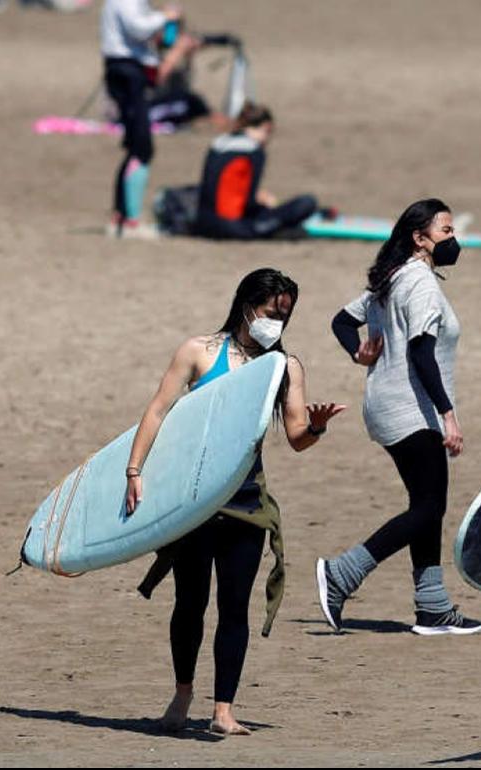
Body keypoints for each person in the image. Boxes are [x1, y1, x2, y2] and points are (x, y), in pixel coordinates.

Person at [125, 268, 346, 735]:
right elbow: (157, 410)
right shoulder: (199, 353)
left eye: (285, 316)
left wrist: (319, 426)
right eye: (271, 313)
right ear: (247, 305)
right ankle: (182, 697)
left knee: (234, 606)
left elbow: (296, 436)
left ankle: (223, 710)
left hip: (245, 501)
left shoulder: (286, 367)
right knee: (189, 602)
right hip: (193, 499)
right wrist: (134, 471)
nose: (277, 324)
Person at [315, 199, 481, 635]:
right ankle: (342, 573)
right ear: (420, 238)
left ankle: (432, 607)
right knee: (429, 507)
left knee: (427, 506)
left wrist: (358, 351)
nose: (453, 239)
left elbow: (340, 321)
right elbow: (421, 353)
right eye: (446, 231)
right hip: (411, 408)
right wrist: (449, 414)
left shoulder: (393, 279)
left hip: (388, 405)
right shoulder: (421, 284)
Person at [100, 0, 197, 238]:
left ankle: (121, 217)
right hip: (126, 71)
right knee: (142, 146)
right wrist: (165, 16)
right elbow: (137, 28)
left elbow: (150, 36)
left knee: (137, 147)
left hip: (132, 70)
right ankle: (129, 221)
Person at [193, 102, 318, 240]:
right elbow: (248, 202)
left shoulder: (218, 143)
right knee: (306, 203)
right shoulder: (253, 151)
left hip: (202, 223)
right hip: (231, 226)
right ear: (267, 127)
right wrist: (265, 202)